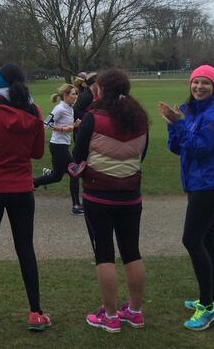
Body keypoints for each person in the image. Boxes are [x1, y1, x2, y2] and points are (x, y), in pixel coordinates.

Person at [0, 64, 51, 331]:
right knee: (25, 248)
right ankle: (36, 311)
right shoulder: (34, 111)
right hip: (21, 189)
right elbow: (38, 152)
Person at [71, 69, 149, 333]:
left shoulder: (93, 118)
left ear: (101, 90)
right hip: (130, 195)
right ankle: (135, 311)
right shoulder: (139, 118)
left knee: (104, 254)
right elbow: (142, 154)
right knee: (131, 252)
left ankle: (111, 315)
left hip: (98, 195)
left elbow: (78, 154)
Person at [159, 65, 214, 331]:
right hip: (196, 183)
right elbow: (178, 148)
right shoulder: (189, 110)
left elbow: (200, 148)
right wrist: (172, 124)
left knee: (191, 239)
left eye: (205, 83)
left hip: (210, 184)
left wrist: (179, 123)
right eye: (195, 82)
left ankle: (208, 307)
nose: (199, 87)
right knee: (208, 240)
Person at [33, 83, 83, 214]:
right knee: (75, 172)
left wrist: (74, 125)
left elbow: (67, 127)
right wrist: (63, 129)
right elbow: (45, 123)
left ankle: (33, 183)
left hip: (62, 145)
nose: (76, 96)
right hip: (58, 146)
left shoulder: (70, 108)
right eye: (73, 94)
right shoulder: (60, 108)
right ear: (65, 95)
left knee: (56, 176)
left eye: (76, 93)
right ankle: (76, 205)